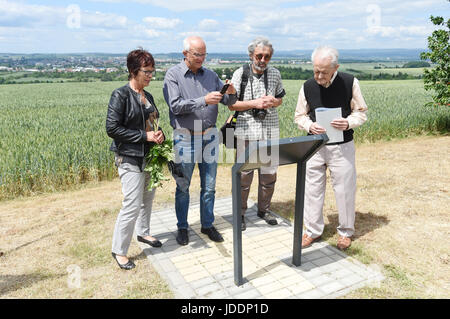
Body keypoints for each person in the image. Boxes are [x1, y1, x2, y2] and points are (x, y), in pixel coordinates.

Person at [163, 36, 237, 246]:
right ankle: (183, 227)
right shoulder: (173, 75)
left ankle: (207, 224)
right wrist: (203, 100)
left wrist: (231, 92)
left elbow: (229, 102)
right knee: (183, 186)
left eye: (204, 54)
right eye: (197, 54)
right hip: (185, 137)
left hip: (210, 136)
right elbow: (175, 106)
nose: (201, 58)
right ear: (185, 53)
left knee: (210, 186)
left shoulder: (211, 75)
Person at [294, 46, 368, 250]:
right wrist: (310, 125)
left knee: (344, 190)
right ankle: (311, 231)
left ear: (336, 67)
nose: (318, 76)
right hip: (314, 147)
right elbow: (299, 116)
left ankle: (345, 232)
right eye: (315, 70)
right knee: (312, 189)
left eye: (324, 72)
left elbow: (361, 113)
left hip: (342, 147)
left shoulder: (350, 82)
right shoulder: (307, 86)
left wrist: (348, 122)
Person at [106, 48, 165, 270]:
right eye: (146, 71)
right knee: (131, 204)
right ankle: (119, 250)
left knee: (147, 198)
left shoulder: (147, 96)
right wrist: (144, 136)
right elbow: (112, 128)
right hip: (129, 157)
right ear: (133, 71)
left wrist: (159, 134)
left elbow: (153, 122)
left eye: (152, 71)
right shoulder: (120, 95)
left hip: (149, 155)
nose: (150, 76)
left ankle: (144, 233)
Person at [229, 37, 286, 231]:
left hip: (270, 129)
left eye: (267, 57)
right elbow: (231, 105)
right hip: (246, 129)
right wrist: (255, 103)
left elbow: (280, 98)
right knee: (244, 174)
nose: (262, 60)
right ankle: (241, 213)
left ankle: (264, 209)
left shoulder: (275, 74)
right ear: (251, 55)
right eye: (259, 56)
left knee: (269, 173)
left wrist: (273, 102)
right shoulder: (240, 74)